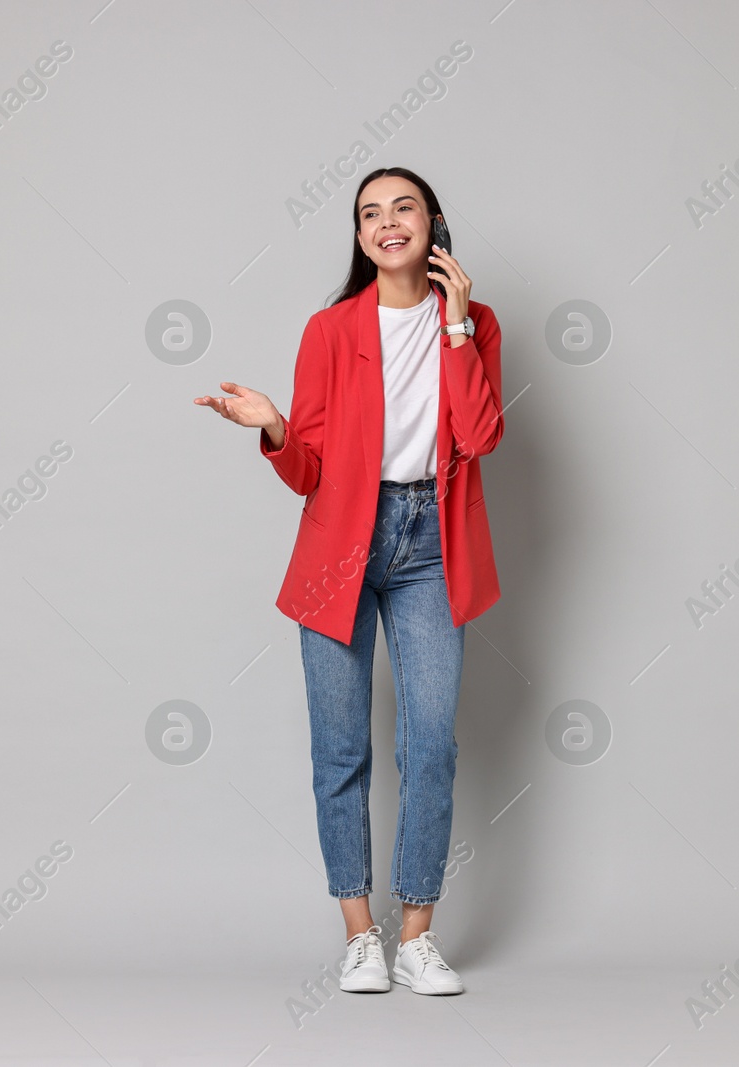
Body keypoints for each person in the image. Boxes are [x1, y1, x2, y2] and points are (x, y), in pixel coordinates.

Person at [194, 166, 504, 995]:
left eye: (402, 207)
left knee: (429, 744)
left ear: (432, 221)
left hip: (433, 543)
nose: (386, 222)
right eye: (369, 213)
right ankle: (360, 934)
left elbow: (480, 434)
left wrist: (462, 326)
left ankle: (418, 935)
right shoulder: (331, 330)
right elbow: (309, 473)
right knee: (341, 749)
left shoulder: (471, 323)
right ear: (360, 237)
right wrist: (274, 429)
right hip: (342, 545)